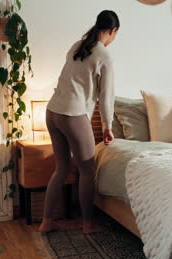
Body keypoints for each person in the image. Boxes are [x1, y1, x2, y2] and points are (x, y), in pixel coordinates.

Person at [39, 10, 119, 234]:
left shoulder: (77, 45)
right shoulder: (105, 55)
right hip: (72, 115)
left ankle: (46, 222)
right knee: (87, 169)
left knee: (62, 168)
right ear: (113, 31)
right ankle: (87, 224)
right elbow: (106, 97)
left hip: (52, 111)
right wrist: (107, 126)